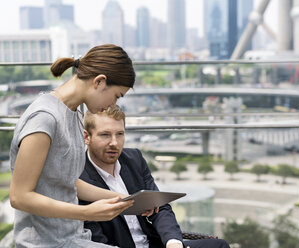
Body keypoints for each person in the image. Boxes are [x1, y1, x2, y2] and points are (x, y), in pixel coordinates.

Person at [9, 44, 156, 247]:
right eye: (116, 96)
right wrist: (87, 212)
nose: (114, 105)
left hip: (74, 239)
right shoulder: (44, 118)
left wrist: (125, 200)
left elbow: (67, 181)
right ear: (99, 81)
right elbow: (19, 197)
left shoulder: (75, 114)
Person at [79, 105, 230, 248]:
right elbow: (97, 239)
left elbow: (160, 207)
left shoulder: (134, 159)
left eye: (120, 134)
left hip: (153, 243)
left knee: (219, 245)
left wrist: (173, 243)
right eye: (105, 135)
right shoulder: (79, 178)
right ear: (87, 137)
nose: (114, 142)